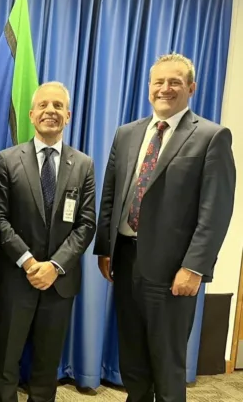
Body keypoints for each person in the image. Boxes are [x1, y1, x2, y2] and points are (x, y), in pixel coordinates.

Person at [94, 53, 235, 402]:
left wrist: (194, 267)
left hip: (175, 272)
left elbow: (216, 211)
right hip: (125, 261)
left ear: (191, 87)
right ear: (149, 88)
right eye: (158, 82)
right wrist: (105, 249)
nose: (165, 88)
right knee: (133, 360)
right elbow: (111, 194)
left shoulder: (211, 137)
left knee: (168, 363)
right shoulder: (127, 134)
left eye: (174, 82)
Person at [0, 82, 96, 402]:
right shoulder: (6, 160)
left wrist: (55, 266)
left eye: (59, 106)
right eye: (45, 105)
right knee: (6, 366)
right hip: (15, 281)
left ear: (69, 115)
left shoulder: (83, 165)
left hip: (59, 284)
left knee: (46, 368)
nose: (51, 111)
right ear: (32, 114)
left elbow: (86, 223)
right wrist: (30, 262)